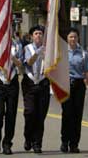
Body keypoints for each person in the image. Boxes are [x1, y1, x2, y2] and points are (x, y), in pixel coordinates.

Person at [61, 27, 88, 154]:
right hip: (66, 84)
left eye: (75, 37)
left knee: (77, 115)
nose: (73, 39)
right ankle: (64, 141)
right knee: (67, 114)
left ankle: (74, 144)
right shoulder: (62, 52)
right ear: (67, 39)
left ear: (78, 38)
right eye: (71, 37)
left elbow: (87, 71)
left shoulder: (83, 53)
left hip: (79, 85)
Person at [0, 34, 23, 155]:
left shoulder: (18, 45)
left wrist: (11, 57)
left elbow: (21, 65)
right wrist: (2, 56)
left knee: (11, 114)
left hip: (12, 81)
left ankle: (7, 143)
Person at [22, 25, 50, 153]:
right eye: (36, 33)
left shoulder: (48, 49)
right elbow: (29, 62)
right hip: (30, 82)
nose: (38, 35)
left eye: (40, 33)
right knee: (30, 112)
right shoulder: (27, 48)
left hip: (43, 83)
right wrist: (38, 53)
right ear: (32, 36)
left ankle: (37, 143)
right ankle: (28, 137)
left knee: (40, 115)